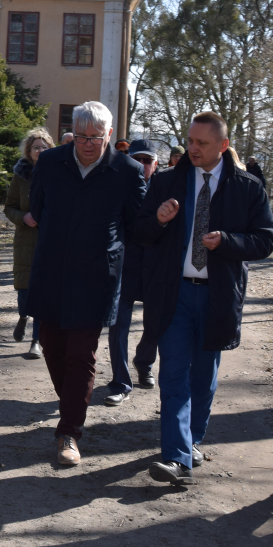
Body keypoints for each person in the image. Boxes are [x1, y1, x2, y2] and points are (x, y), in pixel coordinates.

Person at [134, 111, 273, 485]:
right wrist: (159, 220)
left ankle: (193, 440)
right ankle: (177, 458)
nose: (193, 148)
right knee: (174, 376)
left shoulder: (247, 187)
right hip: (173, 293)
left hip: (217, 295)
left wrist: (228, 242)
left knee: (204, 378)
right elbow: (140, 232)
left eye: (202, 143)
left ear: (223, 146)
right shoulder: (166, 182)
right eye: (190, 141)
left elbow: (266, 240)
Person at [27, 101, 146, 466]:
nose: (88, 144)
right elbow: (38, 207)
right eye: (81, 136)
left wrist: (159, 218)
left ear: (110, 135)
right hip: (50, 271)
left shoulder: (127, 170)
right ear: (71, 134)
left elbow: (137, 225)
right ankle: (72, 401)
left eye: (96, 137)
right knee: (51, 345)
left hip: (97, 276)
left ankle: (69, 433)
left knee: (82, 353)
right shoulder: (50, 163)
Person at [104, 138, 164, 405]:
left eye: (147, 160)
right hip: (124, 267)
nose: (142, 164)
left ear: (156, 164)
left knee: (155, 325)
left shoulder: (166, 188)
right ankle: (120, 381)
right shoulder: (119, 184)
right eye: (137, 159)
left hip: (155, 268)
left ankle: (144, 362)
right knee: (118, 327)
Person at [4, 127, 55, 360]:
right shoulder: (20, 175)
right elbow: (9, 207)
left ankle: (36, 341)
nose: (40, 151)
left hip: (49, 240)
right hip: (25, 240)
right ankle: (23, 316)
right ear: (29, 151)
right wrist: (23, 217)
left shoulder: (58, 174)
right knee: (25, 291)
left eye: (44, 147)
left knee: (43, 291)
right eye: (36, 147)